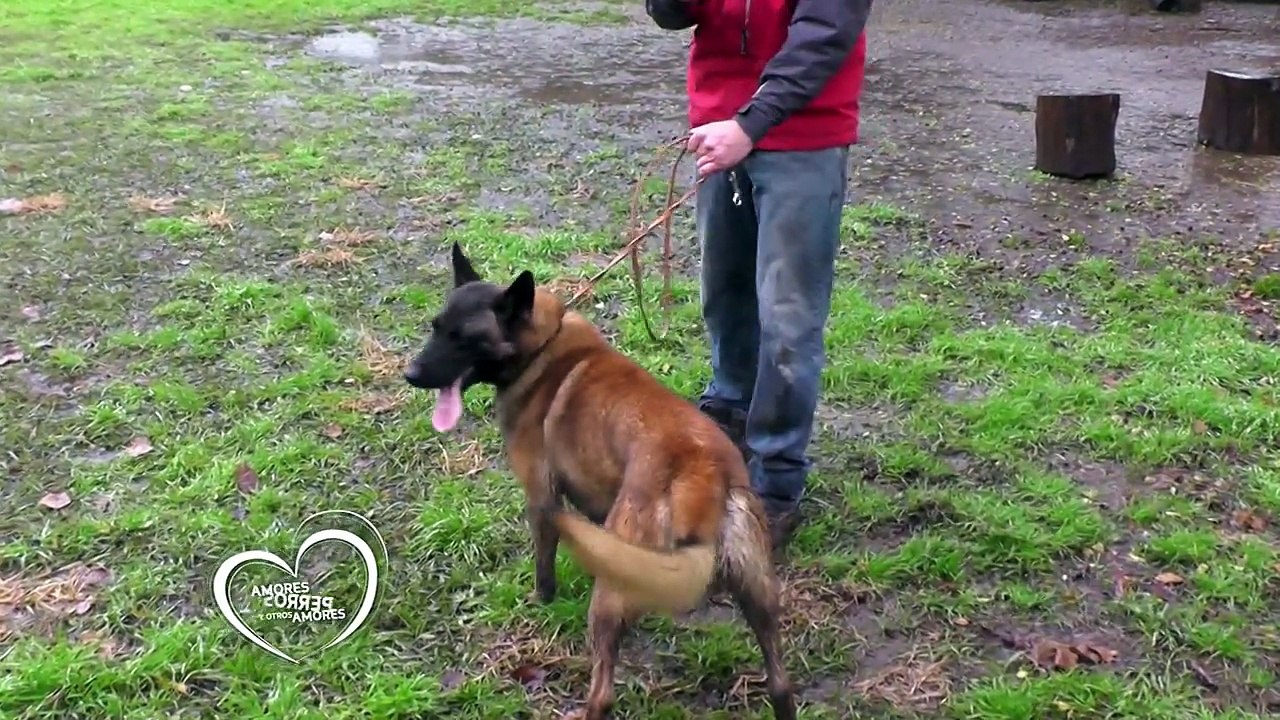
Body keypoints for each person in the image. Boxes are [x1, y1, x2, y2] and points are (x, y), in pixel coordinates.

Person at [645, 0, 873, 549]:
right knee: (724, 293)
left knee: (788, 321)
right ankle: (727, 419)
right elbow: (674, 15)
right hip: (717, 129)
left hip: (802, 139)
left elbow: (823, 34)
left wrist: (751, 123)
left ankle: (775, 481)